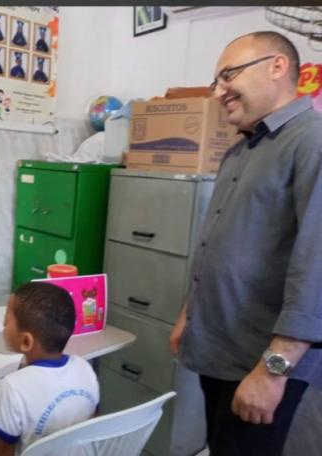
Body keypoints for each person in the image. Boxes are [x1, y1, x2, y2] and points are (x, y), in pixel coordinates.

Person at [170, 31, 322, 456]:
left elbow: (316, 269)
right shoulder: (240, 152)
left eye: (229, 75)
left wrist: (274, 372)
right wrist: (189, 314)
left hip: (263, 365)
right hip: (219, 352)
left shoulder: (311, 142)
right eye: (217, 80)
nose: (219, 91)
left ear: (277, 67)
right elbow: (215, 244)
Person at [0, 282, 99, 456]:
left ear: (26, 342)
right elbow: (94, 423)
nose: (2, 324)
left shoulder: (13, 386)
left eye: (6, 320)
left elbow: (1, 453)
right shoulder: (85, 368)